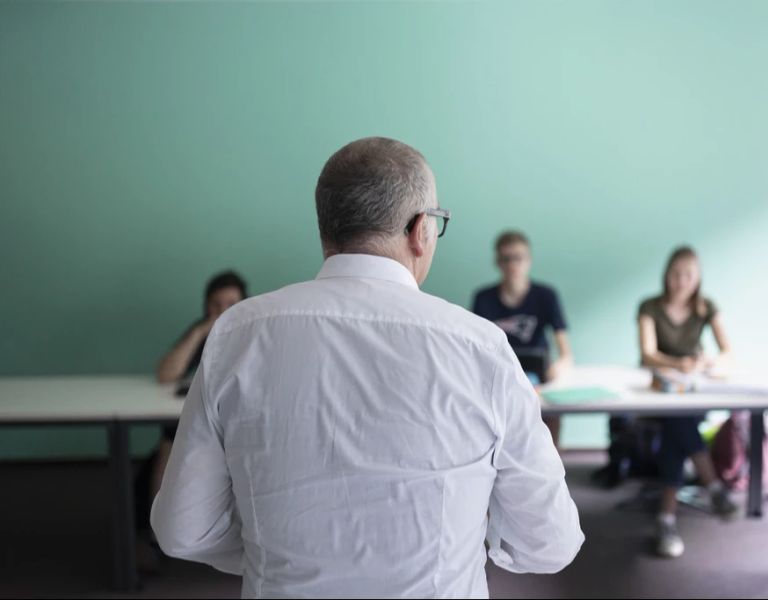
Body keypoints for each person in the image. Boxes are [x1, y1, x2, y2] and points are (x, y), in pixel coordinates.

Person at [151, 137, 584, 597]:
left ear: (326, 231)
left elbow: (182, 530)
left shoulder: (237, 335)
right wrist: (471, 535)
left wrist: (270, 555)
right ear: (421, 230)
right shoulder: (481, 348)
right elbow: (550, 543)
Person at [135, 271, 248, 567]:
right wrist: (200, 331)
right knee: (169, 439)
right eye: (216, 304)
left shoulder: (252, 330)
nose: (223, 311)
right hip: (202, 416)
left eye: (231, 303)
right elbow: (166, 374)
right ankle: (156, 537)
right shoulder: (201, 332)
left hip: (240, 417)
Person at [638, 246, 739, 558]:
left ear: (697, 279)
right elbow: (648, 354)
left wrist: (707, 362)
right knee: (678, 423)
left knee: (677, 427)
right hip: (660, 389)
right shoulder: (650, 307)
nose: (681, 281)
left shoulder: (706, 307)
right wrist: (676, 363)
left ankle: (666, 519)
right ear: (666, 275)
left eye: (688, 275)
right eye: (676, 274)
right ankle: (713, 487)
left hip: (694, 389)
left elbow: (728, 351)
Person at [472, 231, 573, 444]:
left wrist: (558, 367)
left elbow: (566, 354)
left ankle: (552, 465)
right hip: (498, 376)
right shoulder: (483, 298)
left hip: (539, 379)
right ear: (498, 262)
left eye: (518, 258)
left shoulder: (546, 295)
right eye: (506, 259)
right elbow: (474, 349)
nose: (512, 265)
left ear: (529, 260)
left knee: (548, 415)